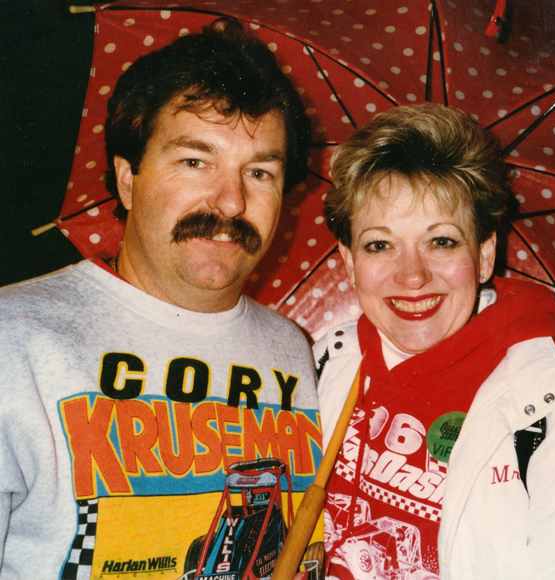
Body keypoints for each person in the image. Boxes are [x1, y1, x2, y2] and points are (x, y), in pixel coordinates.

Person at [0, 19, 322, 580]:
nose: (231, 201)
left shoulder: (296, 350)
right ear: (128, 178)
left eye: (260, 172)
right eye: (195, 161)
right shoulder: (15, 335)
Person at [313, 104, 555, 579]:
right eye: (380, 244)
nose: (412, 275)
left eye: (441, 241)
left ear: (484, 254)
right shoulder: (322, 365)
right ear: (349, 260)